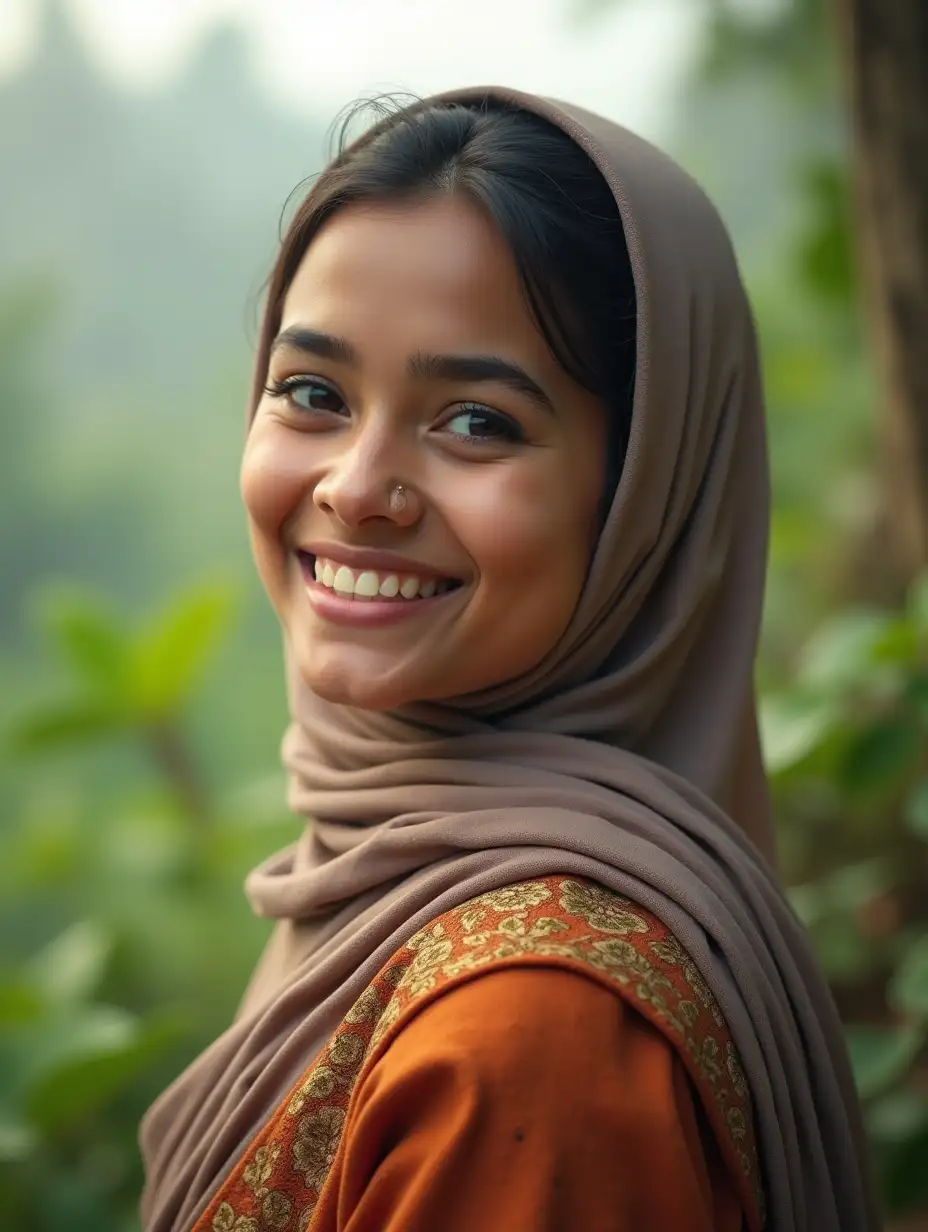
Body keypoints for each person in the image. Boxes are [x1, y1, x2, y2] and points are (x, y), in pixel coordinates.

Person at [139, 87, 879, 1232]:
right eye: (313, 394)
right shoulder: (374, 874)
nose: (354, 488)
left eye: (474, 421)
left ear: (646, 494)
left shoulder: (528, 1038)